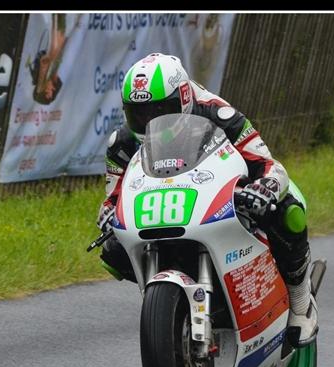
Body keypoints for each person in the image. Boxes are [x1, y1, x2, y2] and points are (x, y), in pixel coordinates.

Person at [96, 53, 317, 346]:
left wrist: (264, 188)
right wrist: (108, 213)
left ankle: (302, 304)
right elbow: (112, 197)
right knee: (112, 250)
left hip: (218, 192)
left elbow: (269, 164)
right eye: (140, 114)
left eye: (159, 110)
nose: (150, 121)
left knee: (287, 211)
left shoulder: (219, 114)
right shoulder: (123, 142)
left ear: (184, 97)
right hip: (164, 204)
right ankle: (171, 306)